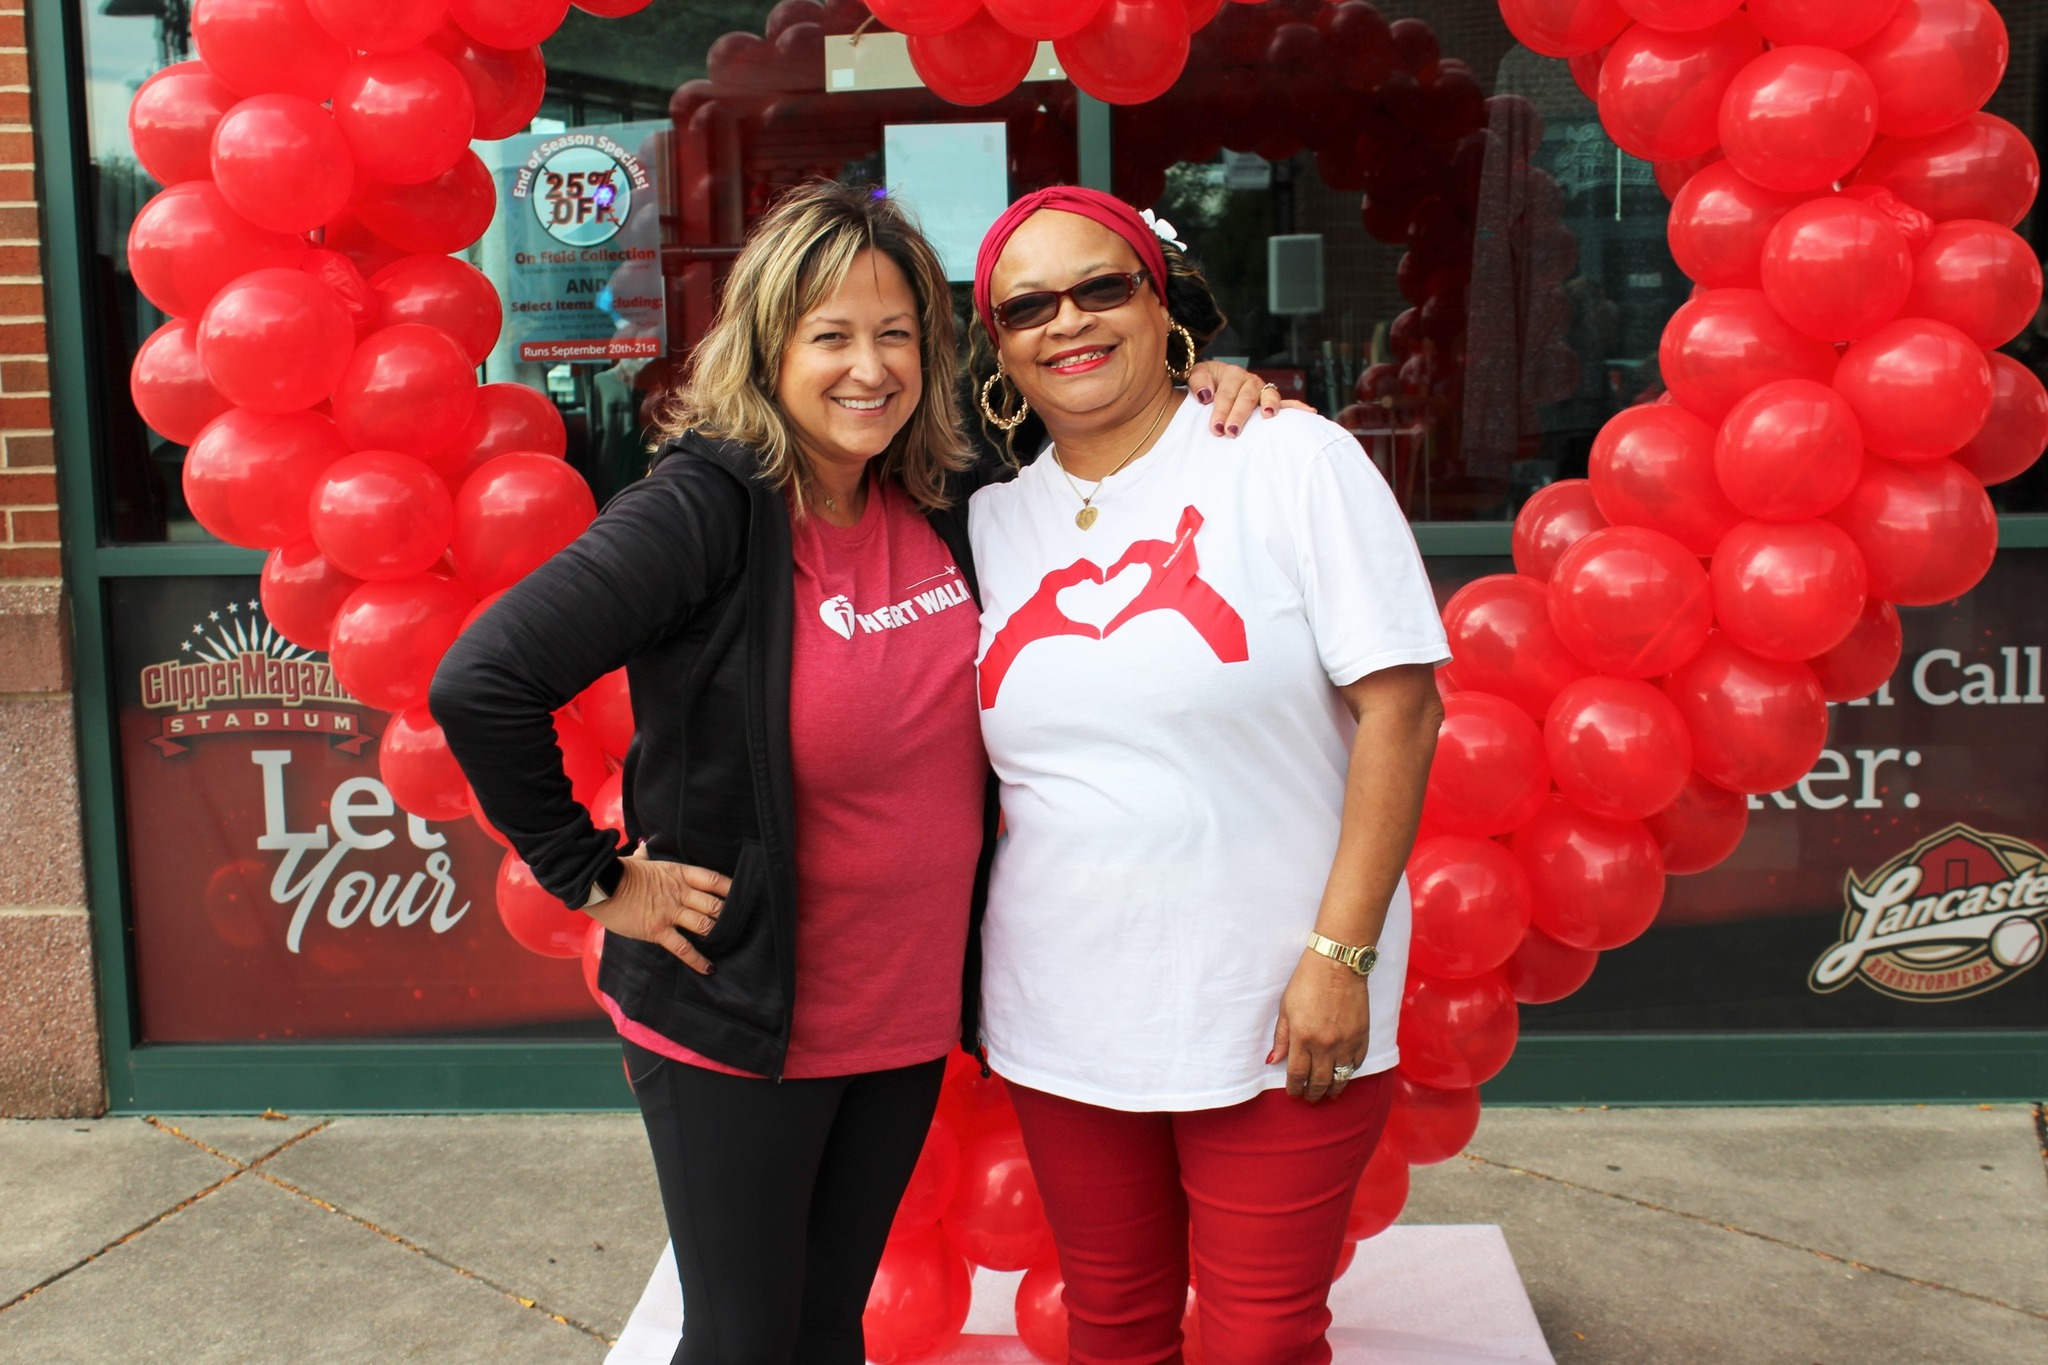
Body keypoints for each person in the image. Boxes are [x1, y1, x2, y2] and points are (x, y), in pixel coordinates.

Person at [428, 181, 1279, 1365]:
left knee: (829, 1328)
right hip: (743, 1019)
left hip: (898, 1024)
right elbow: (482, 682)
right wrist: (595, 878)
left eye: (895, 335)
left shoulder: (941, 497)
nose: (868, 369)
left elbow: (1108, 444)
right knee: (744, 1343)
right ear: (768, 348)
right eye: (830, 336)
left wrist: (1202, 393)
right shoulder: (703, 511)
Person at [967, 186, 1450, 1363]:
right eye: (1026, 306)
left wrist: (1339, 958)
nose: (1066, 321)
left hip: (1275, 1007)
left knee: (1259, 1342)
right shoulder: (980, 521)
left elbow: (1401, 710)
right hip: (1059, 1012)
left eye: (1100, 287)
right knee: (1111, 1330)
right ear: (998, 350)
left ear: (1160, 303)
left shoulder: (1288, 461)